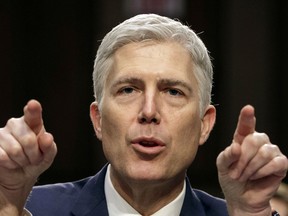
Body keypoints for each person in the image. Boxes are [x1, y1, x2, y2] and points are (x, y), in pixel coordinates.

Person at [0, 13, 287, 216]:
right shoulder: (29, 209)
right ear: (98, 119)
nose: (149, 112)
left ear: (204, 124)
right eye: (128, 90)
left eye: (173, 92)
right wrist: (8, 205)